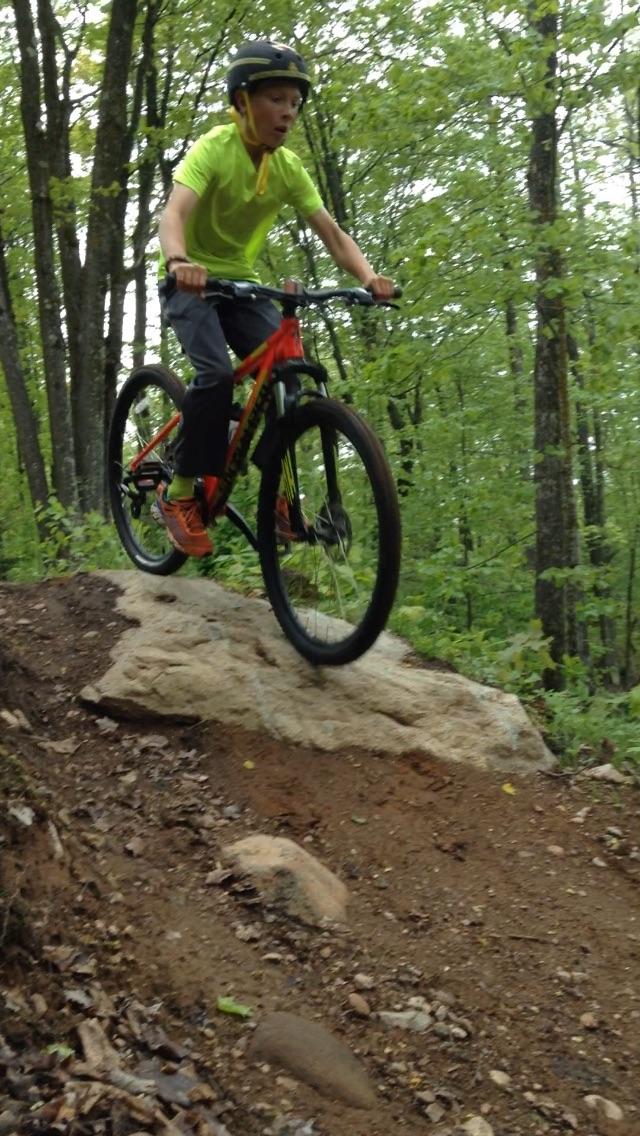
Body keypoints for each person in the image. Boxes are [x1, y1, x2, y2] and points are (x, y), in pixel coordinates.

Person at [157, 38, 395, 557]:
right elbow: (173, 214)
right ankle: (177, 492)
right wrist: (179, 262)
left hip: (241, 283)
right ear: (242, 100)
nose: (288, 113)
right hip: (190, 282)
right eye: (276, 100)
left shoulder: (287, 168)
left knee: (290, 375)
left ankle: (282, 498)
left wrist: (370, 277)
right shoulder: (214, 149)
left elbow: (332, 233)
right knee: (216, 374)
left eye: (295, 103)